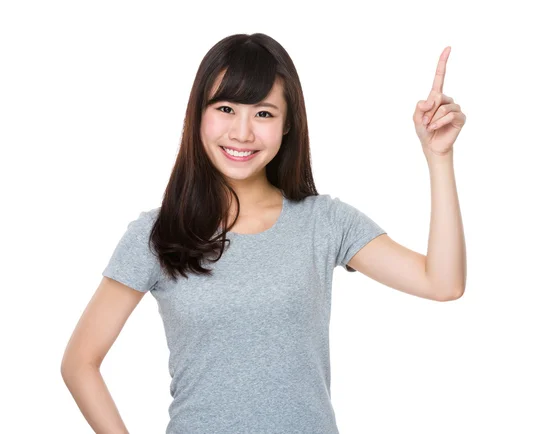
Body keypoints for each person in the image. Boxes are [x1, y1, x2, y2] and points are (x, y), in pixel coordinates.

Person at [60, 33, 467, 434]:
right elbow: (80, 362)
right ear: (197, 114)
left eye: (264, 114)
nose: (242, 132)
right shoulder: (157, 233)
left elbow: (442, 282)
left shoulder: (324, 223)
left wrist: (439, 157)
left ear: (288, 124)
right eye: (225, 108)